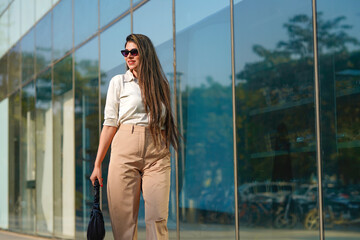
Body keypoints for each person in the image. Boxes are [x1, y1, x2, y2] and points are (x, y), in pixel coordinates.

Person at [90, 33, 178, 240]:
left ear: (145, 54)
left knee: (157, 219)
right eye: (125, 52)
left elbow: (166, 123)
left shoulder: (161, 85)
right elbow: (110, 123)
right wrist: (97, 164)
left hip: (157, 152)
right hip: (125, 149)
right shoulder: (118, 82)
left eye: (134, 52)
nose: (128, 56)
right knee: (123, 221)